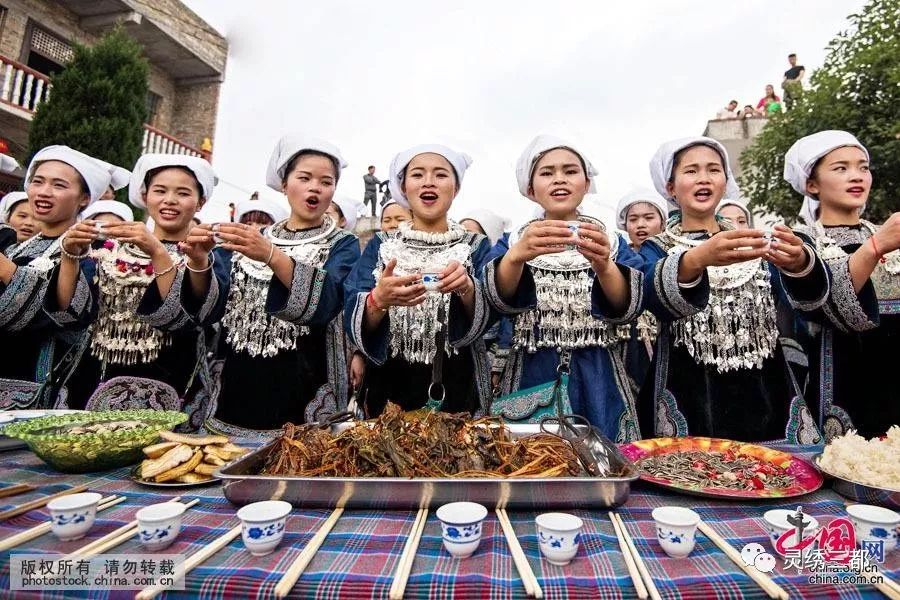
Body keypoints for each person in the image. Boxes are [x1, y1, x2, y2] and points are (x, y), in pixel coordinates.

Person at [637, 136, 828, 443]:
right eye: (691, 171)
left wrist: (799, 261)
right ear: (670, 187)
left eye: (714, 169)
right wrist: (696, 259)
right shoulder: (656, 248)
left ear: (725, 181)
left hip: (764, 387)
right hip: (688, 391)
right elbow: (651, 296)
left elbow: (804, 301)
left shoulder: (753, 240)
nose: (704, 178)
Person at [485, 135, 644, 440]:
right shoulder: (514, 240)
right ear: (530, 190)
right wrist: (516, 257)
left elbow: (628, 306)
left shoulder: (610, 239)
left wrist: (604, 265)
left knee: (603, 461)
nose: (559, 179)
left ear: (586, 183)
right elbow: (497, 300)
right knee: (531, 465)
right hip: (530, 371)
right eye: (547, 173)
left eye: (570, 171)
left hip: (599, 373)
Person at [203, 134, 360, 435]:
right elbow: (211, 306)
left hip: (305, 381)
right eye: (305, 178)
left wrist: (272, 256)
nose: (315, 187)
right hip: (240, 380)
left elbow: (327, 302)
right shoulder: (250, 239)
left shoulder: (343, 244)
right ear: (285, 184)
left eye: (326, 182)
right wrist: (199, 261)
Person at [62, 155, 223, 424]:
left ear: (200, 202)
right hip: (97, 377)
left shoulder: (207, 256)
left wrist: (158, 252)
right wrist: (70, 254)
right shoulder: (109, 249)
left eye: (182, 193)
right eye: (160, 191)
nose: (169, 200)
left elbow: (187, 316)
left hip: (175, 380)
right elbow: (71, 310)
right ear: (145, 195)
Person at [344, 144, 492, 417]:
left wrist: (467, 289)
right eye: (417, 174)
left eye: (440, 174)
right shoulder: (381, 244)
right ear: (403, 187)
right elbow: (353, 302)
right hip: (388, 391)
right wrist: (378, 300)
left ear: (456, 188)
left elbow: (493, 311)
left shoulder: (476, 246)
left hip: (458, 388)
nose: (428, 182)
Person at [784, 130, 900, 439]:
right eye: (841, 168)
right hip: (840, 389)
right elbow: (829, 308)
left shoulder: (889, 233)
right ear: (812, 184)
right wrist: (875, 247)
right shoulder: (801, 244)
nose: (857, 176)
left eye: (863, 167)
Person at [0, 146, 109, 405]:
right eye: (38, 181)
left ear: (84, 198)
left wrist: (5, 269)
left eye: (59, 185)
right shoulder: (14, 247)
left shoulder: (93, 255)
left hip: (40, 389)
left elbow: (66, 316)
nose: (44, 192)